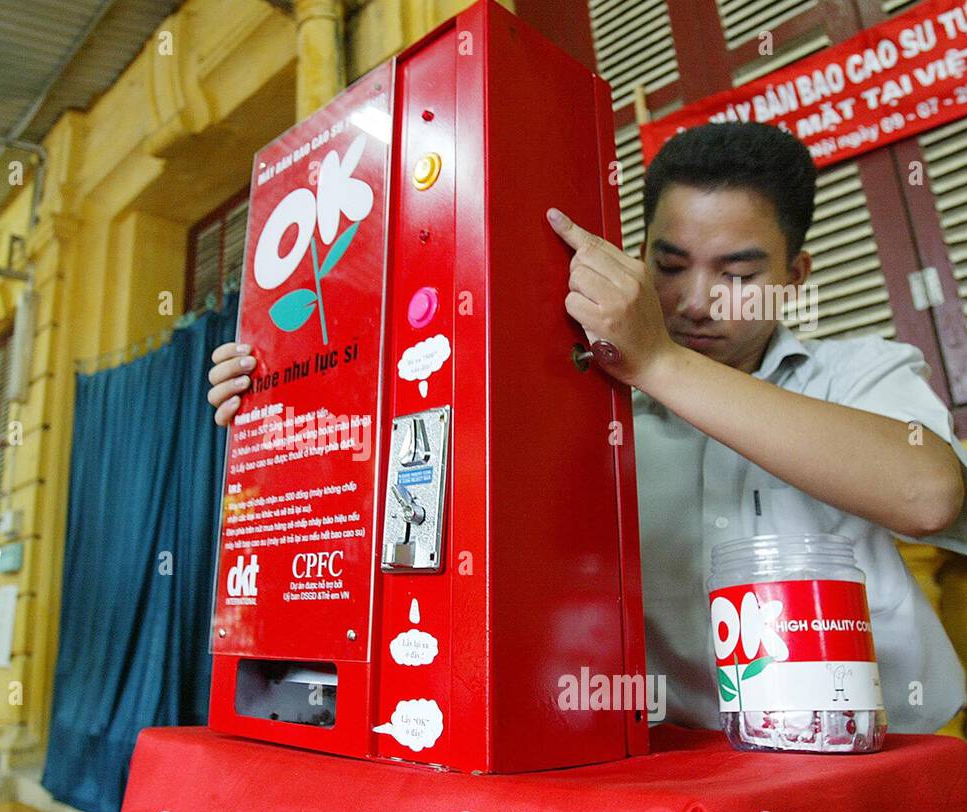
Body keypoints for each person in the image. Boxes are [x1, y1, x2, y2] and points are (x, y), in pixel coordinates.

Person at [206, 121, 967, 735]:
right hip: (675, 764)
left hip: (884, 754)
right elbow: (423, 503)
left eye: (737, 274)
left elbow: (929, 494)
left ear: (795, 278)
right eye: (668, 266)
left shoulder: (856, 374)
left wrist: (660, 364)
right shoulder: (585, 405)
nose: (696, 302)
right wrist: (289, 401)